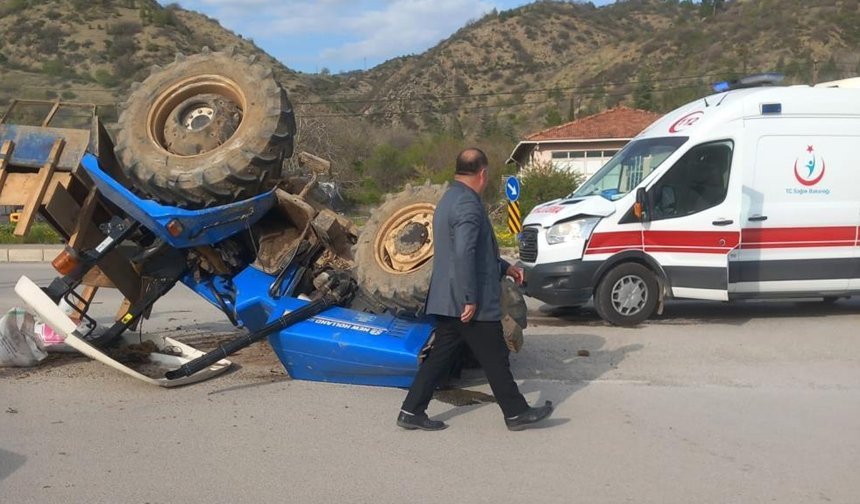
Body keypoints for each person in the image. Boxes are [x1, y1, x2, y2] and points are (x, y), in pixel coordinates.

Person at [396, 148, 554, 432]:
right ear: (482, 173)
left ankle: (411, 410)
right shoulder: (468, 205)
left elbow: (477, 251)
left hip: (447, 298)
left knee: (440, 357)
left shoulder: (448, 199)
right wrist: (470, 298)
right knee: (495, 357)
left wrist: (505, 267)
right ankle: (516, 413)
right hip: (469, 300)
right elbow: (464, 253)